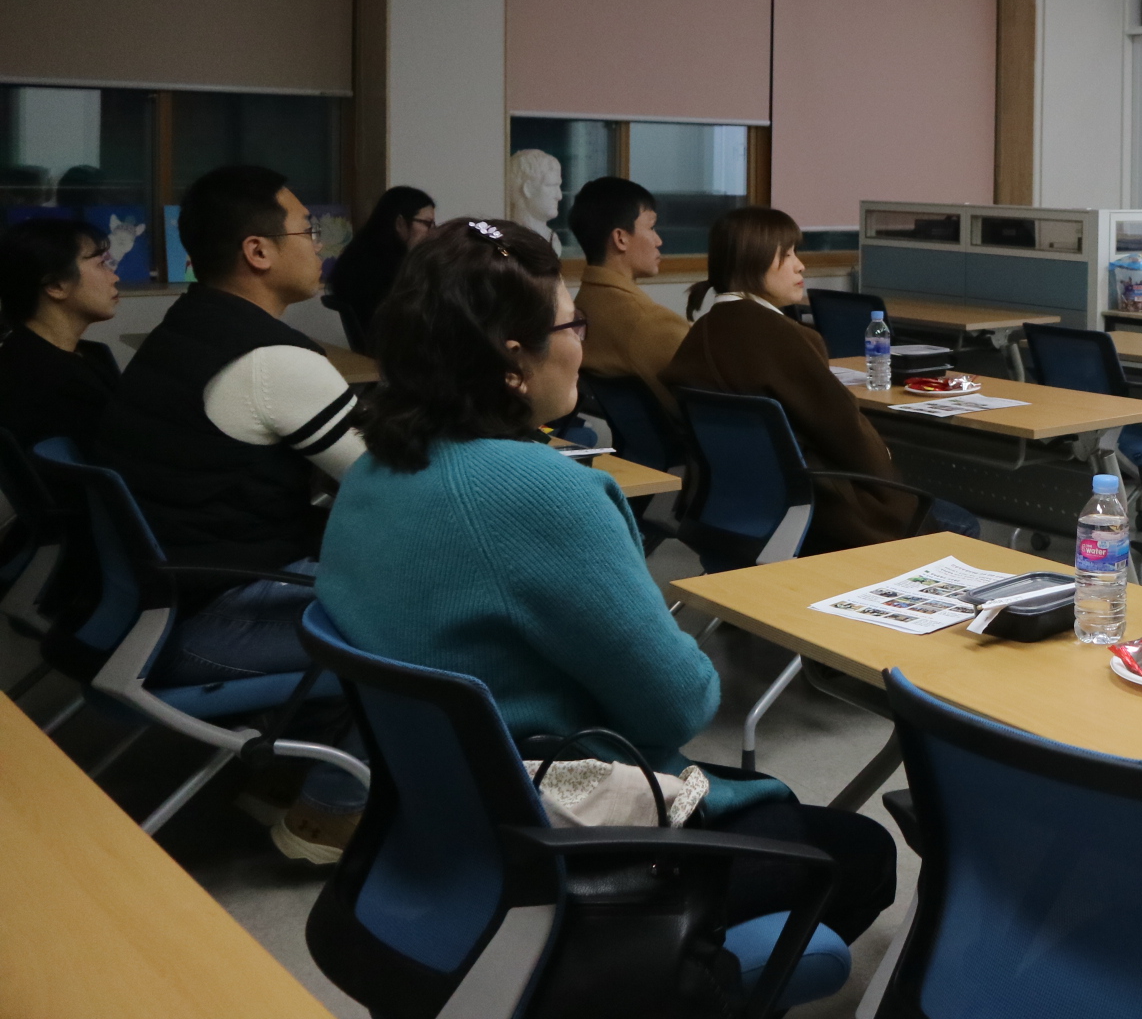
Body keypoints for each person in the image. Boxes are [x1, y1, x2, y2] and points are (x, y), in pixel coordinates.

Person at [319, 218, 896, 944]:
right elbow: (679, 706)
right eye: (572, 323)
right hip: (567, 845)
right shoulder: (542, 494)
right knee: (864, 854)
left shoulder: (374, 470)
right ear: (513, 360)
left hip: (439, 818)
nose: (582, 340)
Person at [96, 165, 369, 858]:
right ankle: (327, 815)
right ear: (259, 252)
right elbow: (390, 491)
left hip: (149, 607)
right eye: (309, 231)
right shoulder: (275, 359)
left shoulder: (181, 327)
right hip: (205, 621)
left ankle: (278, 780)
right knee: (424, 624)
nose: (321, 245)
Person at [662, 207, 921, 549]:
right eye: (786, 255)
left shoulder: (703, 332)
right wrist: (891, 476)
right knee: (949, 521)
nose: (800, 265)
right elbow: (845, 431)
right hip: (820, 512)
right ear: (751, 260)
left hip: (732, 508)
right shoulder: (781, 336)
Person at [569, 176, 690, 411]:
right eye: (651, 227)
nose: (659, 240)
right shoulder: (646, 322)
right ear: (621, 238)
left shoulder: (583, 304)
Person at [0, 218, 122, 446]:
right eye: (101, 264)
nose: (114, 277)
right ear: (55, 286)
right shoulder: (37, 379)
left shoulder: (88, 355)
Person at [325, 186, 435, 354]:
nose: (432, 233)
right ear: (400, 223)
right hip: (399, 356)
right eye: (427, 224)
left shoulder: (361, 251)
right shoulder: (386, 266)